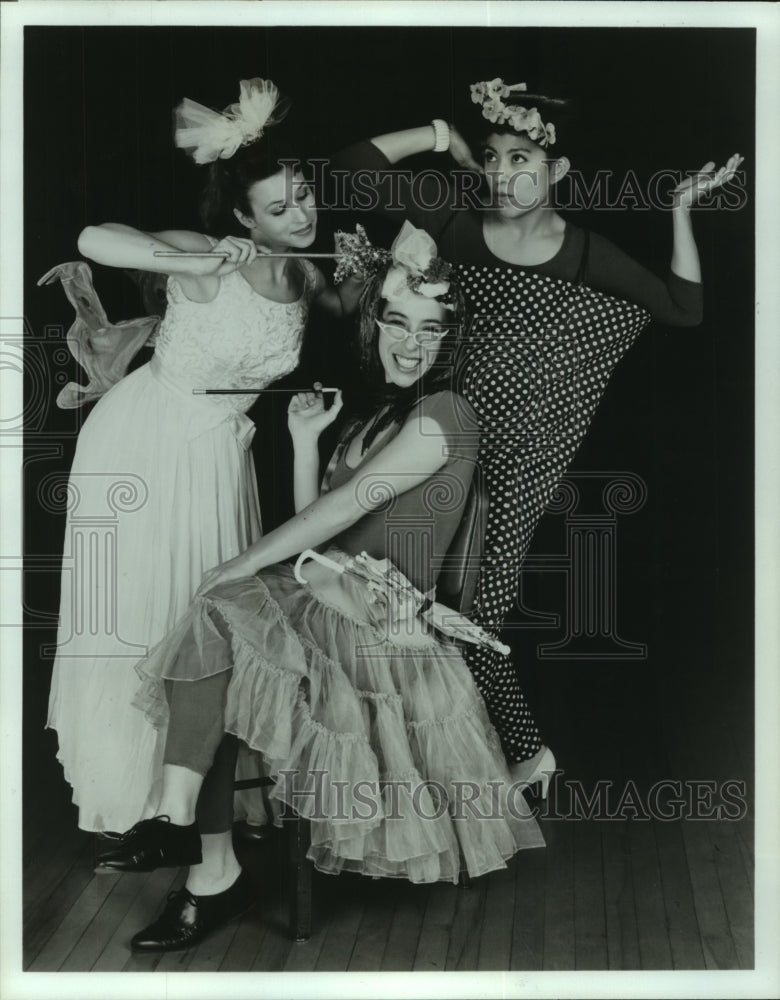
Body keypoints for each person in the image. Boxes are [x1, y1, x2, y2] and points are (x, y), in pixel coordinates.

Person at [94, 222, 546, 953]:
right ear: (376, 325)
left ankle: (193, 849)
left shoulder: (446, 416)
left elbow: (342, 510)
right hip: (329, 596)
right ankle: (185, 838)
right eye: (397, 321)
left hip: (378, 632)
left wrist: (241, 564)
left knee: (220, 608)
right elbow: (328, 535)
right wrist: (307, 444)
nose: (409, 342)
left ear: (448, 342)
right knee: (217, 632)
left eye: (429, 330)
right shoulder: (379, 415)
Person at [330, 76, 744, 784]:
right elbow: (351, 170)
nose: (499, 172)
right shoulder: (456, 221)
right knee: (401, 595)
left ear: (558, 172)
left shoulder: (583, 252)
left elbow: (683, 308)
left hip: (523, 458)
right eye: (492, 156)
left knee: (478, 607)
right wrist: (438, 134)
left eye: (520, 159)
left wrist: (678, 211)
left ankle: (523, 753)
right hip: (438, 442)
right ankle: (423, 762)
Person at [46, 77, 363, 835]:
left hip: (222, 454)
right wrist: (180, 264)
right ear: (243, 216)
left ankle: (188, 800)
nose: (302, 215)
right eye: (280, 208)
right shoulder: (207, 256)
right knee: (140, 607)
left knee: (205, 613)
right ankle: (135, 799)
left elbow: (353, 310)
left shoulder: (306, 272)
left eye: (305, 197)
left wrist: (365, 268)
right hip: (145, 440)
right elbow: (93, 240)